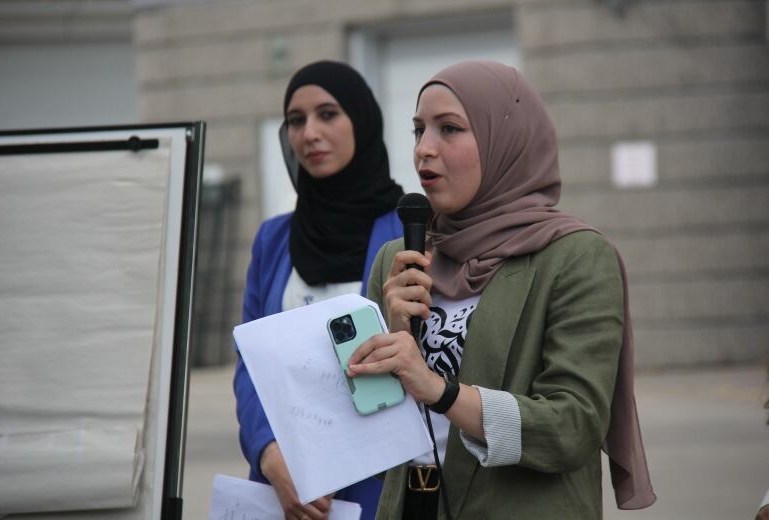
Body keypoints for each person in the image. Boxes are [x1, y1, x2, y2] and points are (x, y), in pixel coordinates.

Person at [347, 60, 656, 519]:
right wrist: (384, 349)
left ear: (505, 142)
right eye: (418, 131)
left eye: (449, 129)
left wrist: (442, 391)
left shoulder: (576, 257)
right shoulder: (400, 257)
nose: (424, 150)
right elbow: (364, 431)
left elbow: (573, 425)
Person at [233, 60, 404, 520]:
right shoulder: (273, 240)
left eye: (328, 114)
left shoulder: (409, 231)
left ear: (362, 122)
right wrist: (269, 453)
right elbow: (251, 363)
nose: (309, 133)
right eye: (296, 120)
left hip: (382, 484)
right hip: (286, 488)